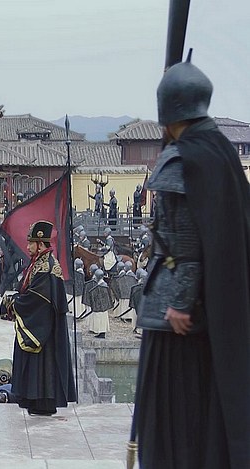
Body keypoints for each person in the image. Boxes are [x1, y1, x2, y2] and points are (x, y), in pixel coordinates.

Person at [133, 59, 250, 469]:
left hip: (177, 314)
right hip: (215, 306)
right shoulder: (221, 151)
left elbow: (185, 240)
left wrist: (180, 302)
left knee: (175, 411)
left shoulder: (180, 159)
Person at [10, 221, 77, 416]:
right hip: (40, 321)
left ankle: (43, 402)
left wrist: (16, 303)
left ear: (40, 244)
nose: (28, 247)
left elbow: (38, 298)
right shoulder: (38, 262)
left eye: (31, 243)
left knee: (43, 364)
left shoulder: (47, 266)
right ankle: (33, 400)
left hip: (44, 326)